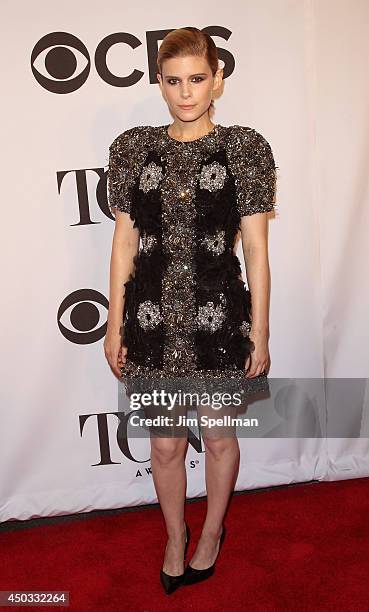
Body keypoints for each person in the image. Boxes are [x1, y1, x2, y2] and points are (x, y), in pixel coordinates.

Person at [104, 27, 277, 595]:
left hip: (219, 320)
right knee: (164, 443)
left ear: (217, 80)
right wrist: (114, 321)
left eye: (197, 79)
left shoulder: (244, 150)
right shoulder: (134, 150)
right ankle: (176, 536)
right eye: (173, 81)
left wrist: (261, 330)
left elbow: (254, 250)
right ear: (159, 81)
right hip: (152, 324)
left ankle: (212, 533)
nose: (185, 93)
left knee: (221, 438)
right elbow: (124, 245)